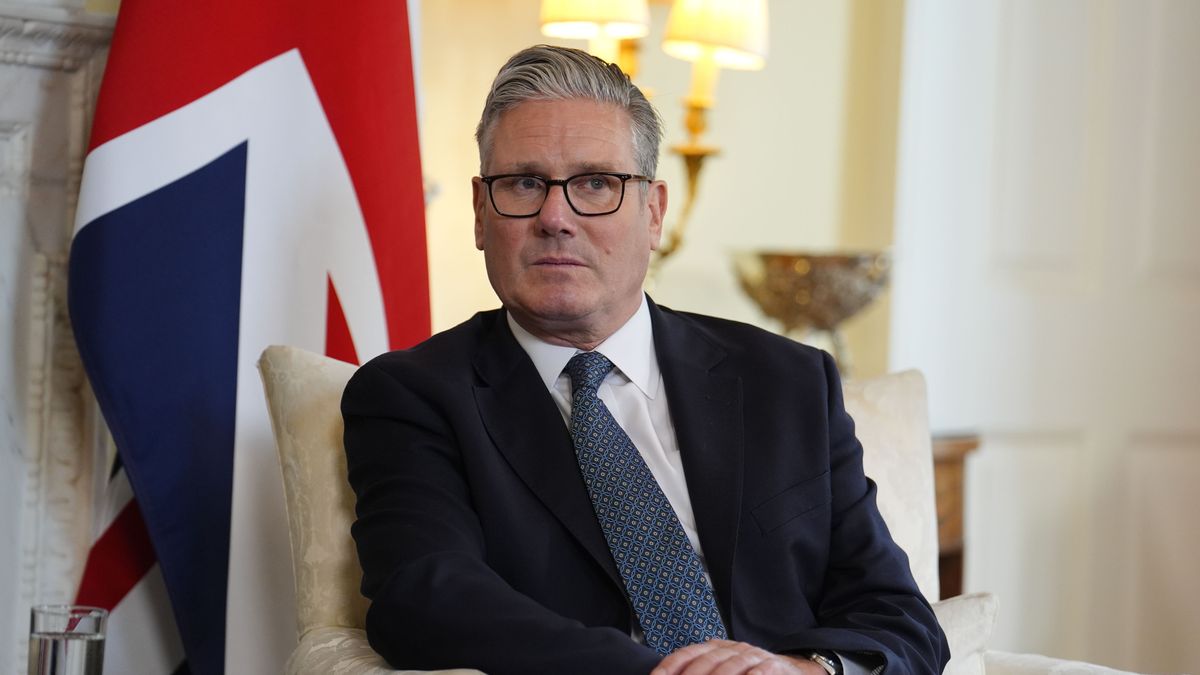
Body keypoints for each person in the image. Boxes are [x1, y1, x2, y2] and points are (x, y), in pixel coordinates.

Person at [342, 45, 949, 675]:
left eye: (596, 184)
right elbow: (425, 599)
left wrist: (807, 671)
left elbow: (897, 618)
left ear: (654, 212)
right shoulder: (410, 396)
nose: (555, 217)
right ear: (479, 211)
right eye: (524, 182)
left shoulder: (787, 381)